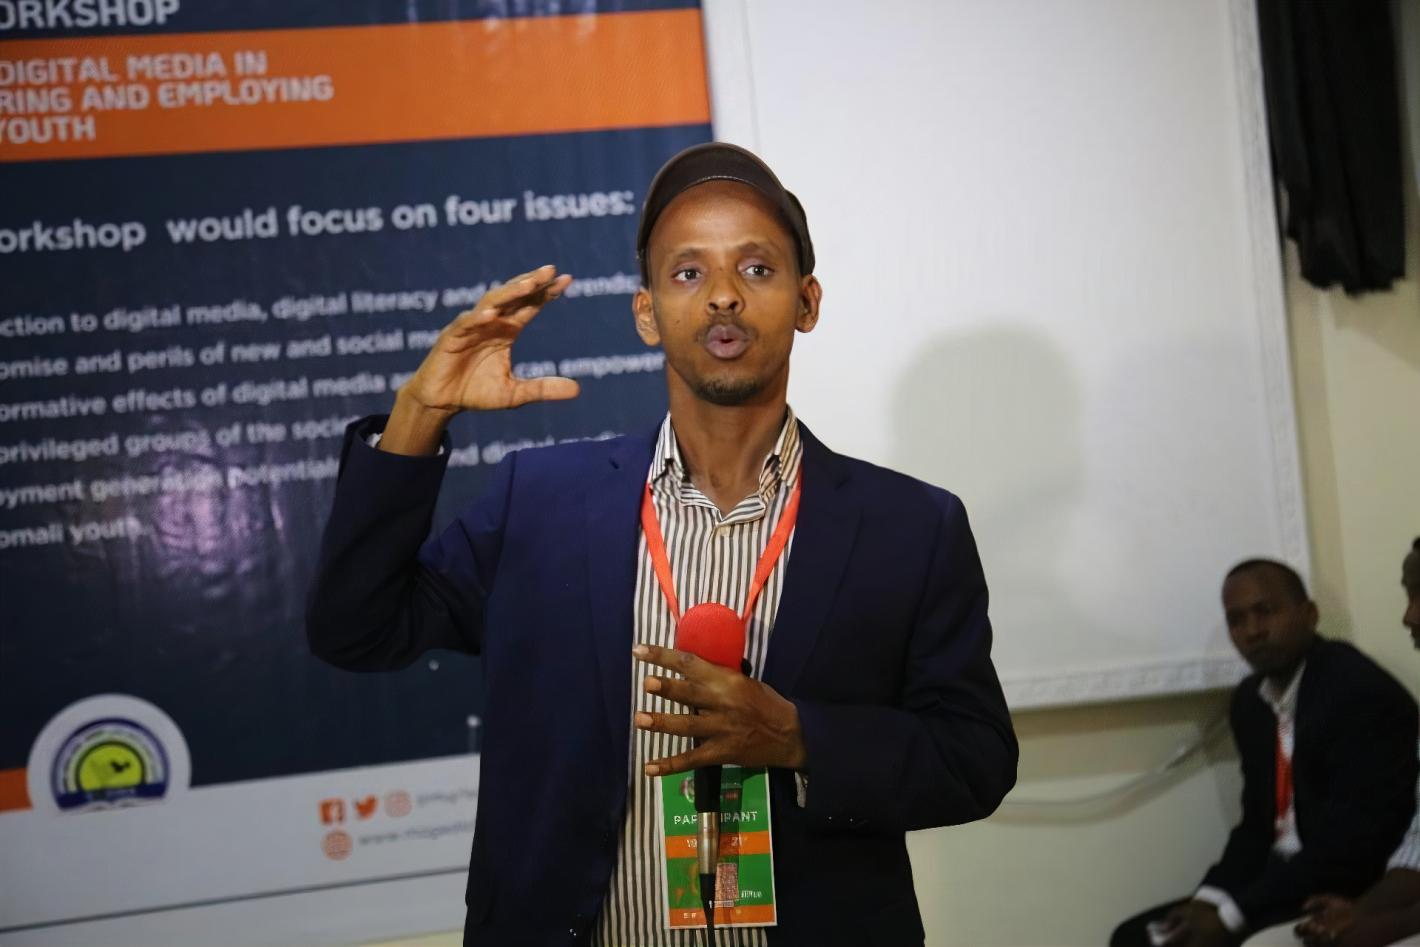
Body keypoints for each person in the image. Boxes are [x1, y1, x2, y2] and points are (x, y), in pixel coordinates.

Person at [306, 142, 1019, 946]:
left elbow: (975, 759)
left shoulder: (911, 527)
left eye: (756, 268)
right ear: (646, 313)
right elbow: (355, 629)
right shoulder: (539, 501)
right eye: (688, 272)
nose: (723, 295)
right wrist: (419, 411)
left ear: (806, 301)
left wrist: (800, 738)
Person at [1110, 558, 1418, 947]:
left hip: (1344, 884)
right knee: (1136, 937)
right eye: (1236, 620)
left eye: (1266, 611)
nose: (1253, 631)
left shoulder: (1357, 692)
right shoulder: (1250, 702)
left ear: (1309, 615)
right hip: (1278, 878)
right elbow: (1256, 826)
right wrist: (1208, 901)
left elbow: (1351, 846)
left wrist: (1231, 916)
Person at [1240, 538, 1420, 947]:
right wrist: (1359, 911)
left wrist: (1386, 926)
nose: (1409, 616)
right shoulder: (1249, 700)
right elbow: (1417, 848)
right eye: (1409, 595)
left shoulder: (1355, 688)